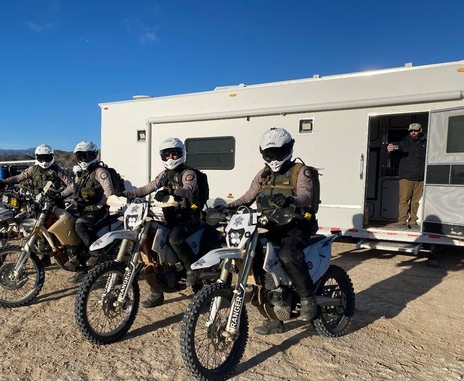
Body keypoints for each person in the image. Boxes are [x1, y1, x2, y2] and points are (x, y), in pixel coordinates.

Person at [221, 127, 318, 335]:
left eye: (277, 152)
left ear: (288, 149)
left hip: (297, 225)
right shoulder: (263, 174)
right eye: (269, 153)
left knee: (287, 253)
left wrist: (290, 200)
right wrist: (227, 207)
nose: (273, 158)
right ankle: (274, 317)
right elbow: (247, 198)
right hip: (270, 224)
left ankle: (307, 297)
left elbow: (306, 196)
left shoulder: (300, 171)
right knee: (257, 262)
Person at [122, 137, 202, 308]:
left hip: (189, 218)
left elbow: (187, 190)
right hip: (170, 218)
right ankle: (156, 292)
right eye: (167, 155)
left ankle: (192, 272)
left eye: (175, 153)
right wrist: (126, 194)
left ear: (182, 154)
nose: (171, 158)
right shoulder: (164, 175)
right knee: (150, 242)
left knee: (175, 239)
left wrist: (170, 191)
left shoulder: (188, 173)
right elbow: (145, 189)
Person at [63, 141, 116, 282]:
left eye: (86, 156)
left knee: (80, 225)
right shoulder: (82, 173)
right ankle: (81, 265)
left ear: (94, 155)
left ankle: (97, 252)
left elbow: (108, 192)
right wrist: (59, 196)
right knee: (69, 223)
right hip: (84, 209)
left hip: (100, 210)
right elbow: (73, 188)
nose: (83, 159)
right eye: (80, 156)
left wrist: (99, 206)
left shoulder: (100, 172)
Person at [387, 123, 427, 229]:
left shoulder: (426, 144)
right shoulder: (403, 143)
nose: (413, 132)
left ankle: (413, 221)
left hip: (420, 177)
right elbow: (393, 156)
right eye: (411, 131)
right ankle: (402, 221)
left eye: (415, 130)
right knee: (404, 200)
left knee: (415, 201)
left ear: (420, 130)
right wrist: (390, 151)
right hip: (406, 176)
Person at [0, 144, 72, 196]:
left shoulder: (57, 169)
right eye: (41, 158)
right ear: (37, 157)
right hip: (35, 201)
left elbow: (70, 185)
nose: (44, 161)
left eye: (46, 158)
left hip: (53, 203)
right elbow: (18, 178)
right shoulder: (33, 169)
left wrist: (60, 195)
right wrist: (3, 181)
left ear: (51, 157)